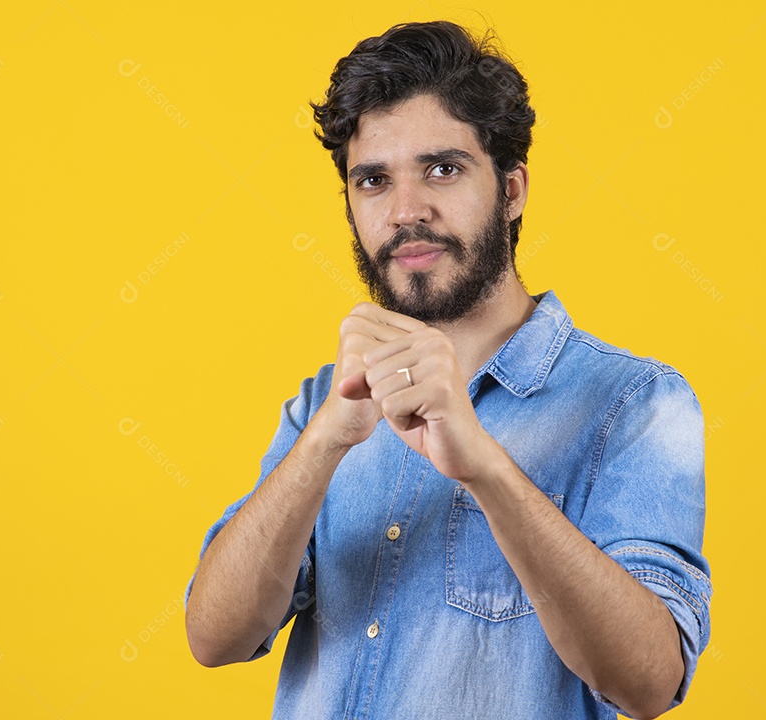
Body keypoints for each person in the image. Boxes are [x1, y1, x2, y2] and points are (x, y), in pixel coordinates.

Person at [184, 20, 711, 720]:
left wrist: (484, 469)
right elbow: (215, 636)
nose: (407, 212)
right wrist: (326, 439)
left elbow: (648, 681)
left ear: (513, 189)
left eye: (443, 169)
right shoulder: (325, 403)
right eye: (373, 180)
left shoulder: (635, 403)